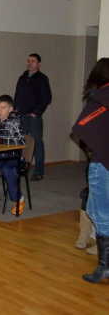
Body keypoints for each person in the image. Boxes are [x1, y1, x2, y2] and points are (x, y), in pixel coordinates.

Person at [72, 58, 109, 284]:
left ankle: (105, 267)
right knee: (95, 211)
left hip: (101, 164)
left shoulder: (100, 97)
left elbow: (83, 125)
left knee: (100, 213)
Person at [13, 53, 52, 181]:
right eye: (28, 61)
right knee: (21, 142)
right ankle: (21, 167)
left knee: (37, 143)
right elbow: (17, 95)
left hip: (34, 117)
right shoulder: (22, 77)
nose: (30, 63)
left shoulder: (42, 79)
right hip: (22, 115)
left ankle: (39, 171)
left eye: (33, 61)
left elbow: (46, 98)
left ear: (39, 64)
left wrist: (36, 112)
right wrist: (16, 108)